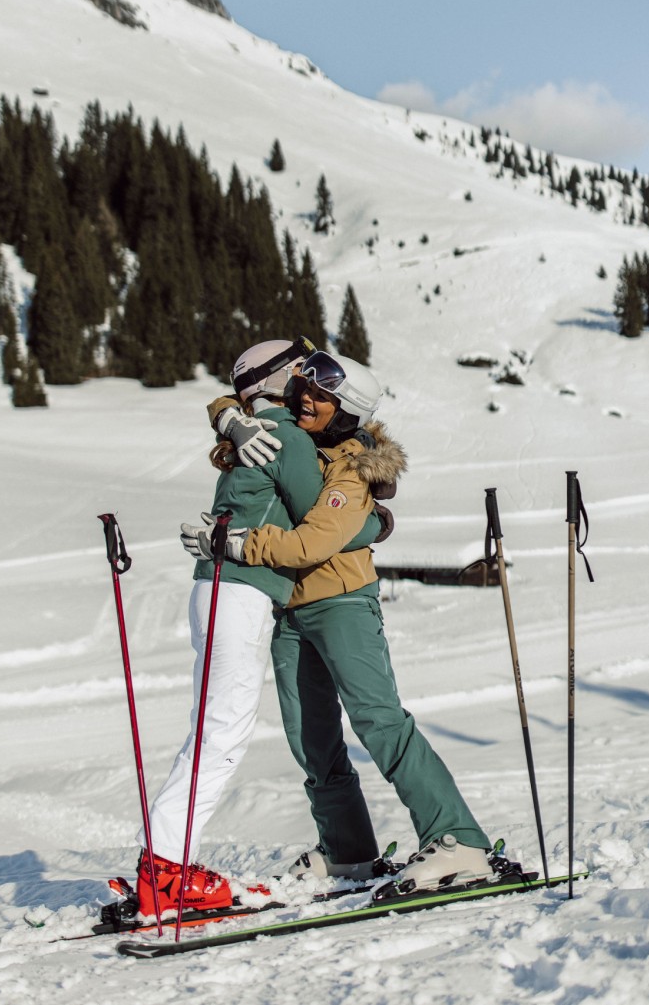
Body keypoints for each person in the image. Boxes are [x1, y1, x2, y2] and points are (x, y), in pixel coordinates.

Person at [189, 351, 497, 894]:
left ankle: (459, 841)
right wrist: (227, 417)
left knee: (379, 720)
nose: (305, 399)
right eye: (303, 387)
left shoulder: (352, 466)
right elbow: (240, 398)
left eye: (321, 395)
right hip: (291, 607)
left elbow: (313, 541)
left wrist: (237, 544)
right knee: (311, 739)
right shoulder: (294, 438)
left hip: (343, 603)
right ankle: (348, 850)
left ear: (346, 410)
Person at [129, 339, 383, 918]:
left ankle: (163, 864)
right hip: (239, 592)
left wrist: (227, 415)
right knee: (220, 734)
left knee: (213, 729)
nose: (308, 376)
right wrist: (377, 518)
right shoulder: (287, 437)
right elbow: (327, 521)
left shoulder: (249, 430)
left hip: (220, 590)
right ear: (280, 378)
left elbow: (233, 403)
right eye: (300, 368)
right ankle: (165, 873)